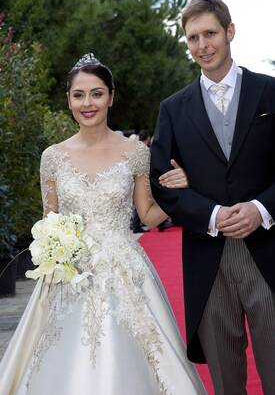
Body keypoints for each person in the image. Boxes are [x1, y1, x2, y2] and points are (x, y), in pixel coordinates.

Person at [0, 53, 205, 395]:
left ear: (111, 96)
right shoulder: (52, 157)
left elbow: (147, 212)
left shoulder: (135, 151)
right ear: (68, 99)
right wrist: (55, 249)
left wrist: (181, 196)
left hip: (124, 269)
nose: (87, 102)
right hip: (68, 275)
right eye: (78, 94)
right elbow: (48, 220)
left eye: (96, 93)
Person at [150, 0, 275, 394]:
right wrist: (211, 215)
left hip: (269, 252)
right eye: (193, 38)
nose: (202, 45)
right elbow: (159, 182)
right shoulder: (173, 108)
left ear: (230, 32)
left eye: (210, 34)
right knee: (225, 376)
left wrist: (261, 208)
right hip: (208, 257)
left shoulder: (270, 92)